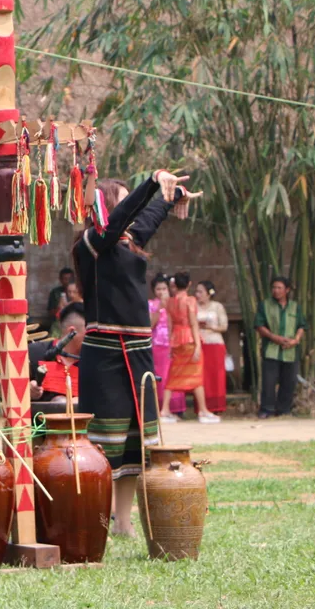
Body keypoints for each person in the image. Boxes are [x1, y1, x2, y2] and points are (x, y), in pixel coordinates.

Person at [74, 170, 200, 538]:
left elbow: (146, 218)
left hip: (138, 353)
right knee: (104, 446)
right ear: (110, 206)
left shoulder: (129, 242)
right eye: (124, 200)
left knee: (133, 446)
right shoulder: (92, 243)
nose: (131, 212)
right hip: (106, 355)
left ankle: (124, 524)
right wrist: (150, 182)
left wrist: (171, 195)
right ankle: (98, 519)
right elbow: (124, 218)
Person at [162, 272, 220, 423]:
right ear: (188, 284)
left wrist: (170, 345)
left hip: (176, 340)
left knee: (173, 376)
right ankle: (203, 411)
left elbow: (169, 325)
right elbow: (193, 323)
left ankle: (164, 410)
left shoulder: (170, 302)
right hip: (189, 339)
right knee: (197, 376)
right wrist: (198, 345)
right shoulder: (190, 300)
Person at [256, 276, 306, 419]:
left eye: (279, 288)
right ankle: (267, 409)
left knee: (289, 381)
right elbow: (259, 325)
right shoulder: (264, 305)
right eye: (274, 288)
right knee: (269, 381)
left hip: (290, 350)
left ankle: (284, 409)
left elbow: (302, 325)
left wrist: (295, 340)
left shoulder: (295, 306)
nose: (276, 291)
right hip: (271, 349)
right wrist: (274, 337)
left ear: (287, 290)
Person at [29, 302, 85, 403]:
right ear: (72, 332)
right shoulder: (35, 353)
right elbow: (7, 388)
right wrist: (26, 389)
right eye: (89, 334)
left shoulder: (94, 362)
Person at [147, 275, 184, 414]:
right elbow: (150, 324)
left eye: (164, 288)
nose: (161, 291)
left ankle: (176, 408)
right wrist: (159, 308)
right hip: (157, 344)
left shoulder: (176, 302)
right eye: (158, 289)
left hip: (174, 343)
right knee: (160, 376)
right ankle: (160, 407)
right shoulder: (150, 304)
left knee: (174, 375)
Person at [194, 280, 229, 416]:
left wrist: (210, 327)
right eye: (196, 291)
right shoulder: (193, 306)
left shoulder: (217, 307)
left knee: (216, 376)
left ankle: (217, 406)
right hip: (199, 343)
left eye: (201, 292)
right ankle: (202, 407)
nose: (198, 294)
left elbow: (224, 326)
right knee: (202, 376)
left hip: (214, 344)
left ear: (209, 294)